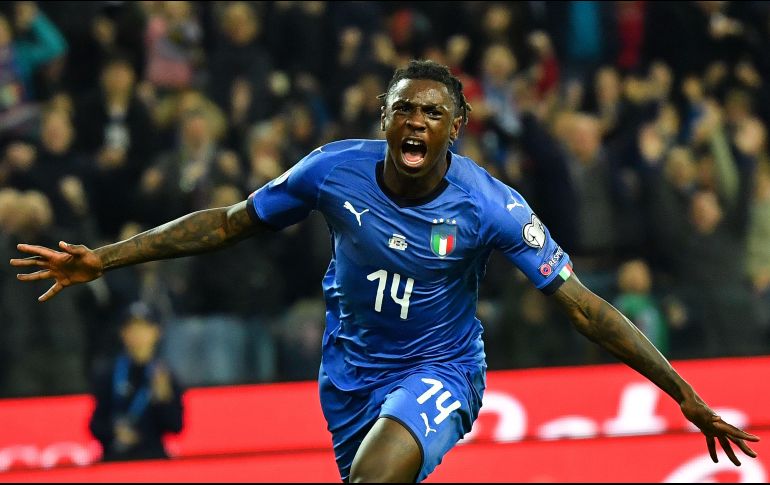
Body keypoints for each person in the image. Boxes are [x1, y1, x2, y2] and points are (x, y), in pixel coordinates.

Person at [10, 60, 759, 482]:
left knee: (375, 481)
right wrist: (103, 257)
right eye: (404, 109)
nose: (416, 123)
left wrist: (685, 395)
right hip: (349, 375)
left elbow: (586, 308)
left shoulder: (490, 206)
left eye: (433, 113)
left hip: (439, 367)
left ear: (456, 128)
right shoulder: (333, 172)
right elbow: (226, 224)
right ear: (384, 117)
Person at [88, 300, 184, 462]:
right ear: (123, 333)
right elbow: (95, 425)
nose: (138, 334)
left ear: (156, 332)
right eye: (132, 328)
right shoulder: (109, 373)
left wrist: (164, 400)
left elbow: (175, 426)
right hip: (116, 459)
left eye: (144, 328)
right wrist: (114, 431)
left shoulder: (165, 375)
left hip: (154, 459)